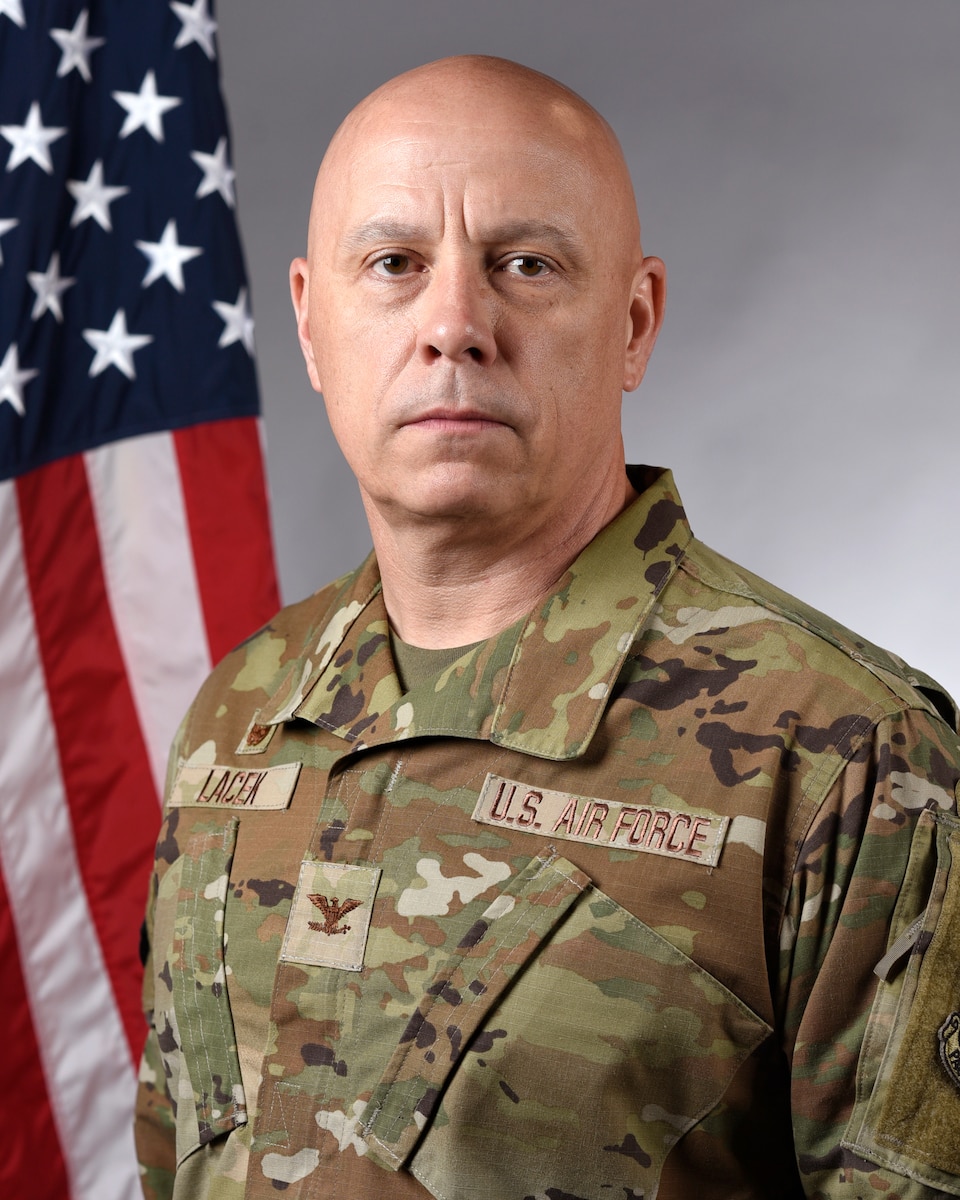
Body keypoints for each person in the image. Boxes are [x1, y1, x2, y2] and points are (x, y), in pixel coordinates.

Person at [134, 55, 960, 1200]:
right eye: (394, 265)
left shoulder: (848, 759)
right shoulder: (239, 716)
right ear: (313, 327)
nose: (455, 325)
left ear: (634, 323)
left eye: (526, 264)